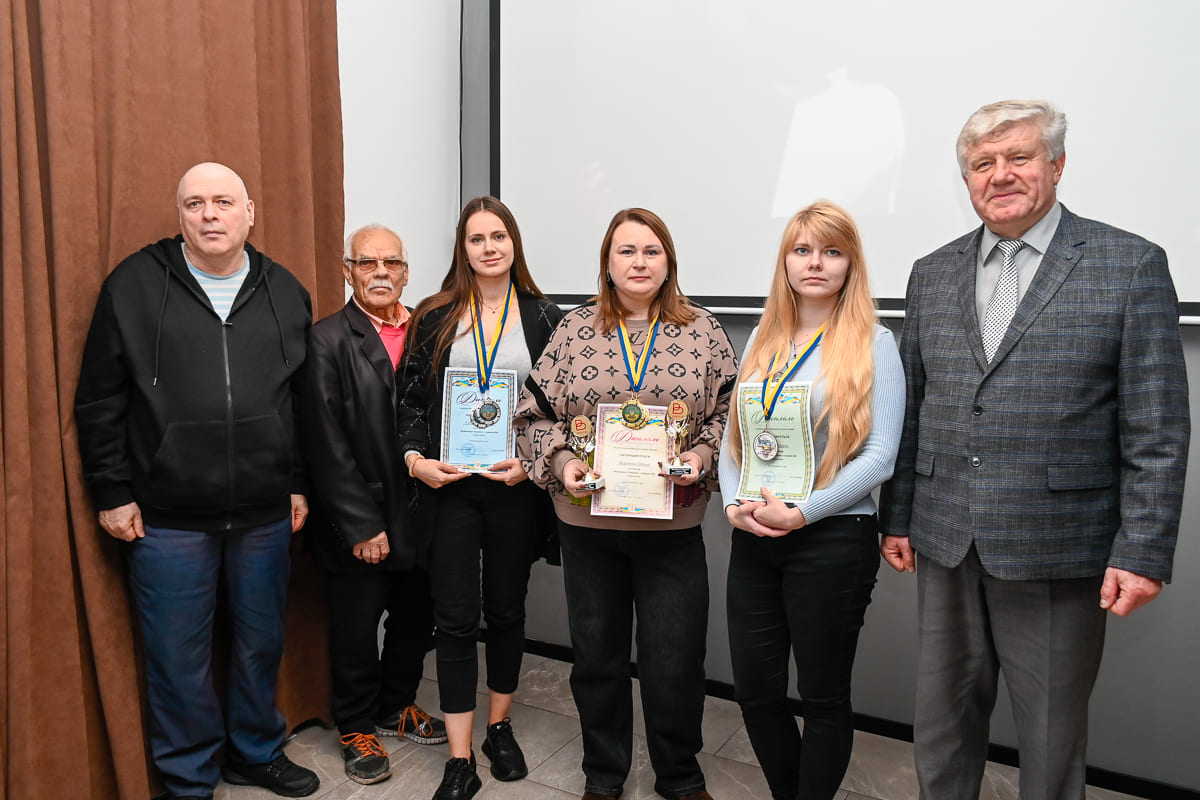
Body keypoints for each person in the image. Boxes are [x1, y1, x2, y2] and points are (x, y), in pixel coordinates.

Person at [879, 100, 1190, 800]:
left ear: (1057, 164)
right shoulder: (932, 271)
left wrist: (1142, 551)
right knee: (942, 725)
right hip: (945, 537)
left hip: (1059, 546)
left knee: (1051, 736)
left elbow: (1158, 428)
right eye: (982, 164)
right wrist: (896, 515)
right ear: (967, 179)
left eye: (1018, 157)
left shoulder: (1129, 264)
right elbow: (915, 405)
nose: (1000, 175)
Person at [74, 162, 319, 799]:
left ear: (249, 212)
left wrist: (296, 481)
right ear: (179, 213)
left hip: (265, 512)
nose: (209, 214)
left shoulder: (284, 290)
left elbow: (299, 402)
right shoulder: (133, 284)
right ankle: (188, 778)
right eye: (195, 203)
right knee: (177, 656)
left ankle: (255, 752)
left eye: (223, 202)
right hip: (167, 516)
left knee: (260, 641)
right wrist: (112, 491)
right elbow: (99, 399)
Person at [515, 207, 738, 800]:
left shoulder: (704, 330)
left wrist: (703, 456)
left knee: (675, 661)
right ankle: (603, 775)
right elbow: (532, 416)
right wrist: (565, 463)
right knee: (597, 659)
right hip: (587, 527)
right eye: (626, 251)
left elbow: (732, 414)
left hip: (672, 529)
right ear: (607, 263)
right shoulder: (574, 329)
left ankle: (680, 777)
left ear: (669, 261)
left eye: (651, 251)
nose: (639, 262)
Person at [718, 201, 904, 800]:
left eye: (831, 251)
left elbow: (881, 457)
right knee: (756, 693)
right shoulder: (761, 340)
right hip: (756, 535)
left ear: (851, 263)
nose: (815, 263)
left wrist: (803, 512)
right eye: (802, 250)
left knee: (822, 697)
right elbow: (733, 438)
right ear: (786, 262)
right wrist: (733, 505)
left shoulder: (875, 343)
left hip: (833, 540)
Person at [397, 196, 564, 800]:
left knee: (507, 610)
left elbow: (560, 407)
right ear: (462, 250)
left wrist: (533, 464)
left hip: (514, 488)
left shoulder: (546, 317)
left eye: (499, 236)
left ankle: (499, 727)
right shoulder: (435, 315)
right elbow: (409, 400)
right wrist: (415, 461)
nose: (489, 248)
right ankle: (460, 758)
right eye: (477, 239)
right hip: (450, 490)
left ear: (514, 243)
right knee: (454, 617)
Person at [301, 224, 447, 786]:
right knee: (357, 629)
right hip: (362, 515)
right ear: (348, 271)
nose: (380, 272)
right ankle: (356, 725)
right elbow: (325, 442)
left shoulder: (432, 331)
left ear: (406, 272)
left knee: (417, 617)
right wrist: (360, 524)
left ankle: (395, 705)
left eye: (391, 263)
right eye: (367, 262)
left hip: (426, 510)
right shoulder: (327, 340)